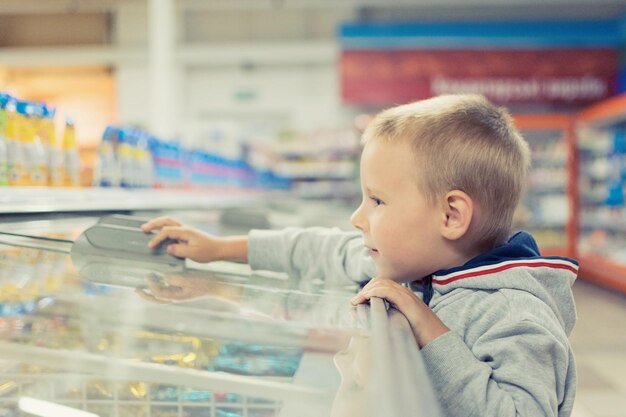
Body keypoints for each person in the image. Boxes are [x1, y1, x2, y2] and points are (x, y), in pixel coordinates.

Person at [142, 94, 578, 417]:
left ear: (451, 215)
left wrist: (427, 327)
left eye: (377, 201)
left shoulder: (514, 314)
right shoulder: (417, 263)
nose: (356, 217)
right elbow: (320, 250)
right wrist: (219, 252)